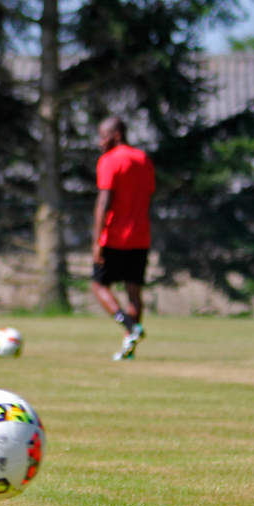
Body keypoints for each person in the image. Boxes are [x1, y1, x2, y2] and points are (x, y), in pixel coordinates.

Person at [90, 116, 155, 361]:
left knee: (98, 285)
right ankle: (130, 347)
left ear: (116, 135)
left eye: (103, 136)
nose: (100, 142)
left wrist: (96, 242)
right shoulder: (144, 159)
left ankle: (129, 326)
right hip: (141, 235)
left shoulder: (110, 160)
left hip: (115, 236)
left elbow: (104, 201)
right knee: (134, 291)